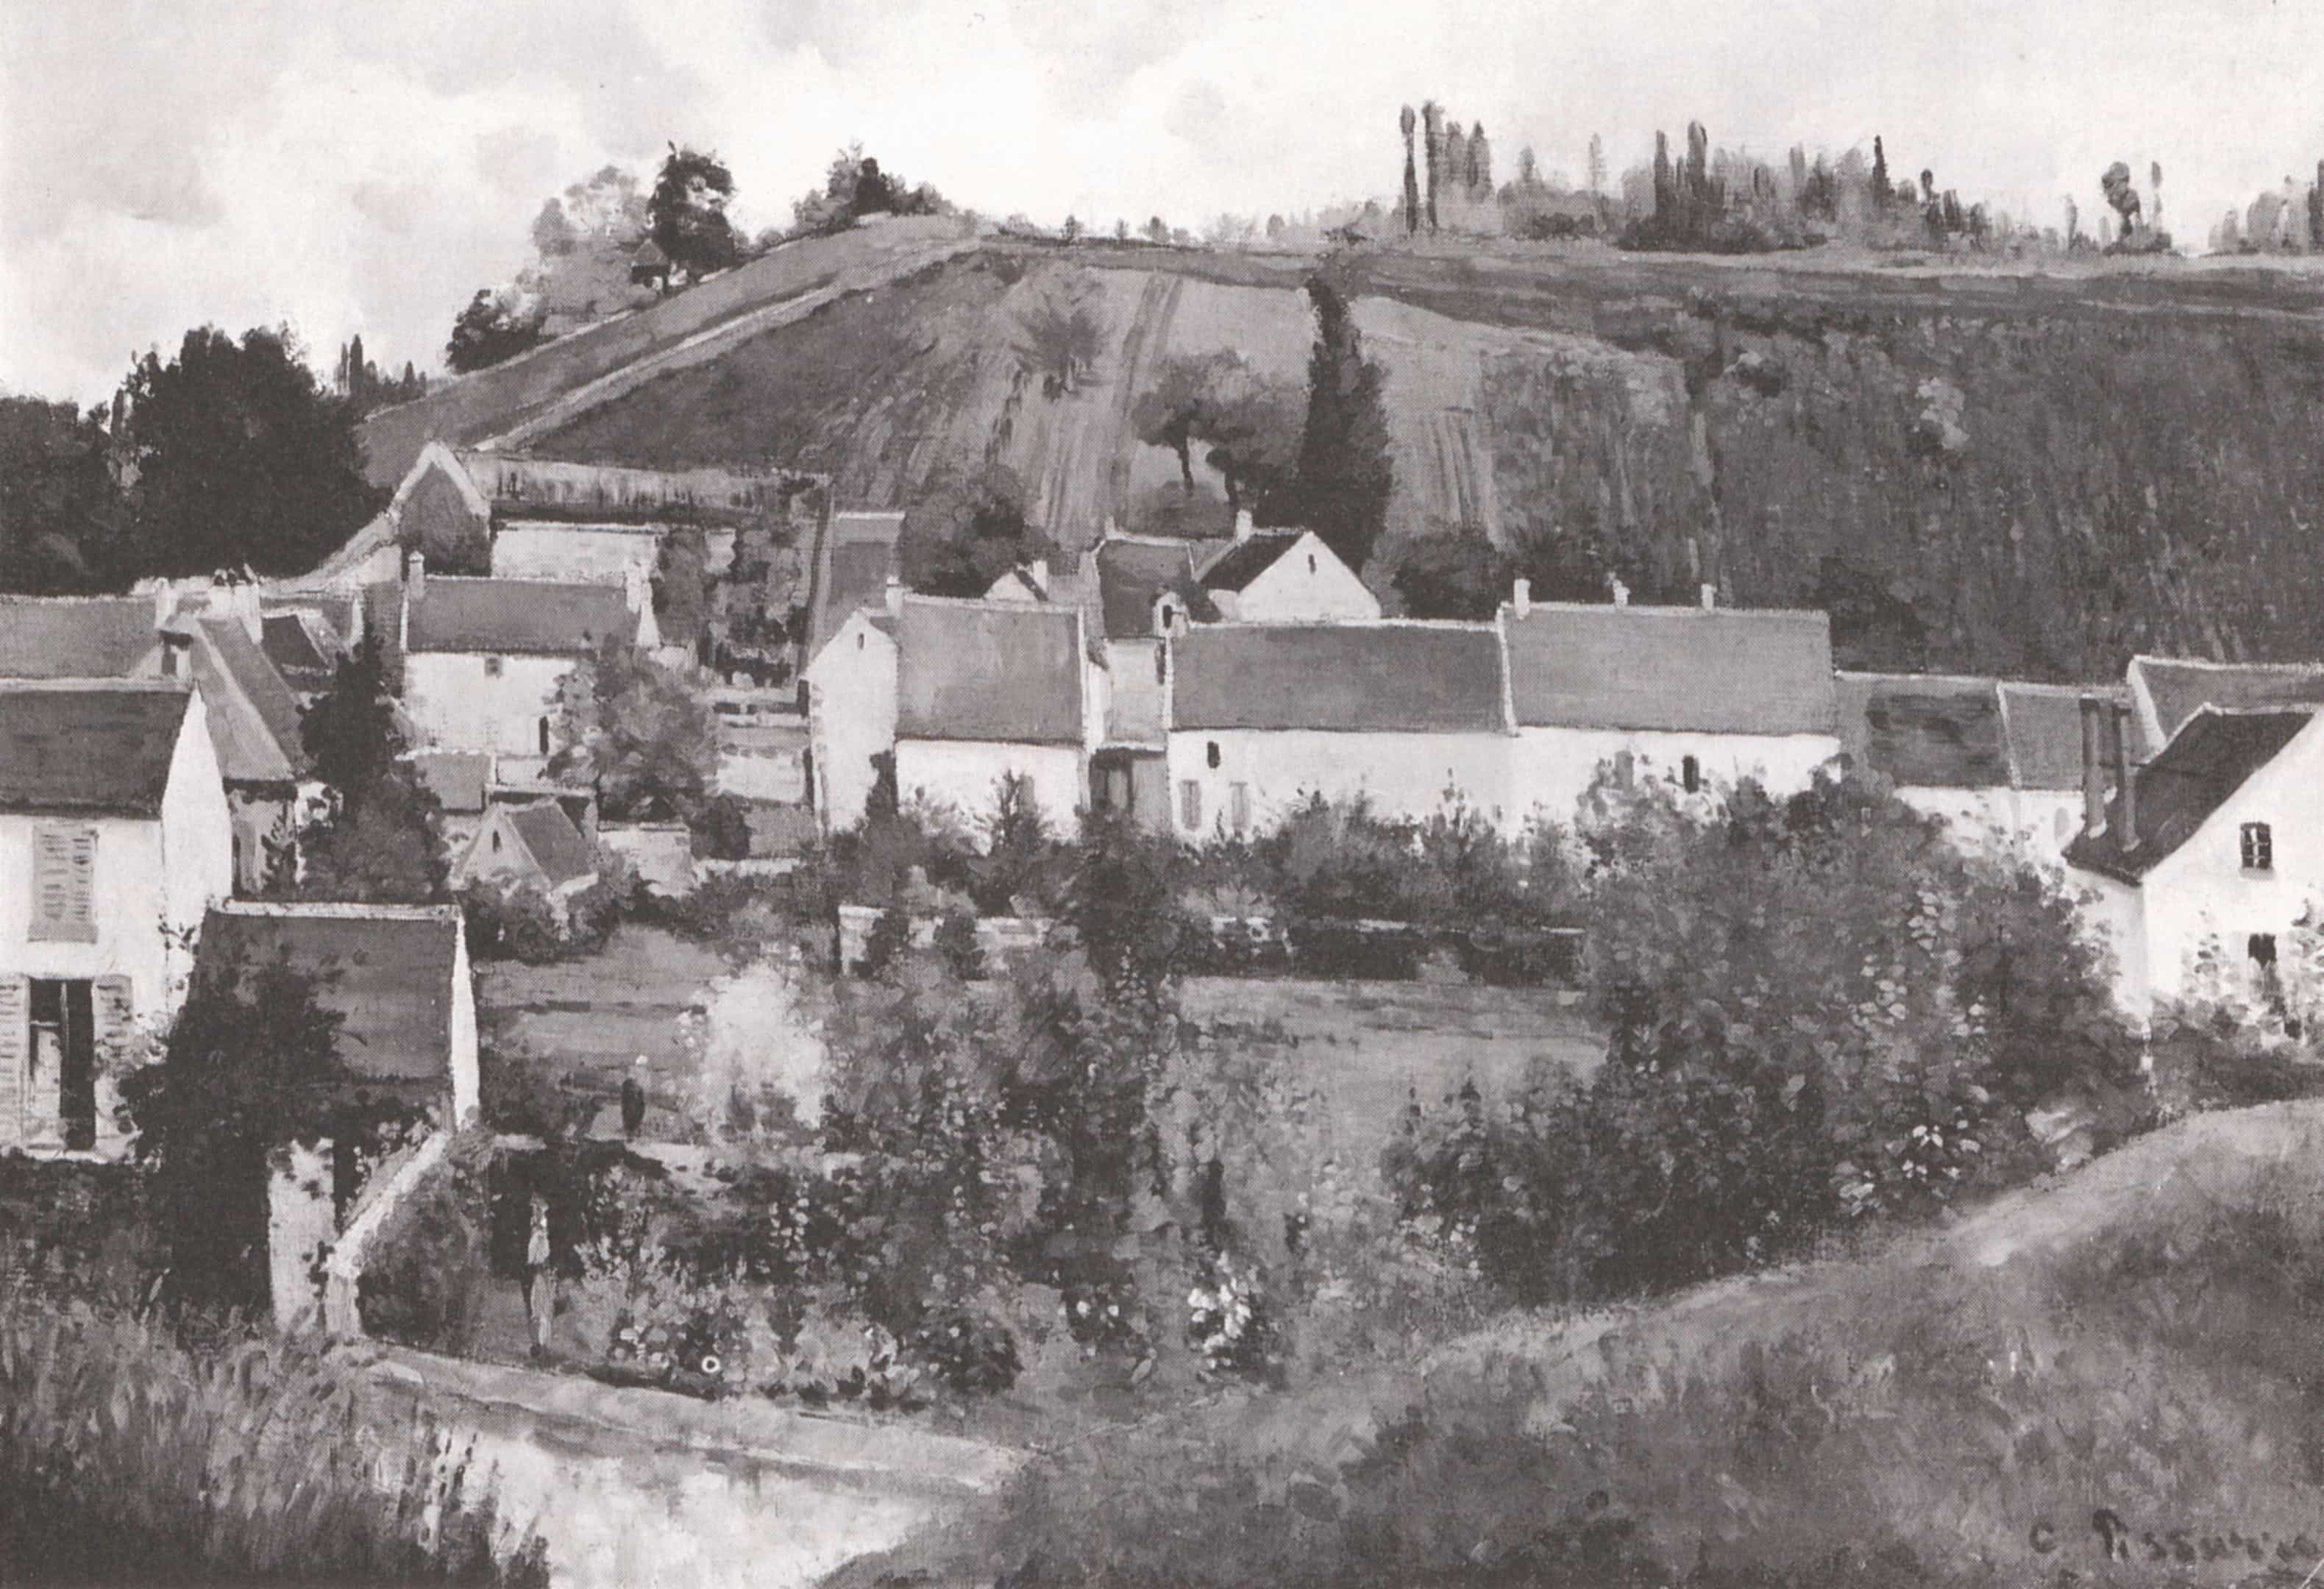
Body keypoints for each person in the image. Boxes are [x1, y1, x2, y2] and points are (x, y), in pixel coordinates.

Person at [522, 1194, 554, 1360]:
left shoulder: (540, 1230)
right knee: (537, 1306)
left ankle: (541, 1344)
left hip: (539, 1268)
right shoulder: (536, 1228)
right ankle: (540, 1343)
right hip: (537, 1269)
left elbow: (539, 1251)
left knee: (539, 1307)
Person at [620, 1057, 648, 1140]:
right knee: (632, 1117)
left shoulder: (631, 1084)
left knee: (633, 1117)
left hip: (634, 1103)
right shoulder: (630, 1084)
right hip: (632, 1103)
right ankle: (632, 1132)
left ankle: (632, 1132)